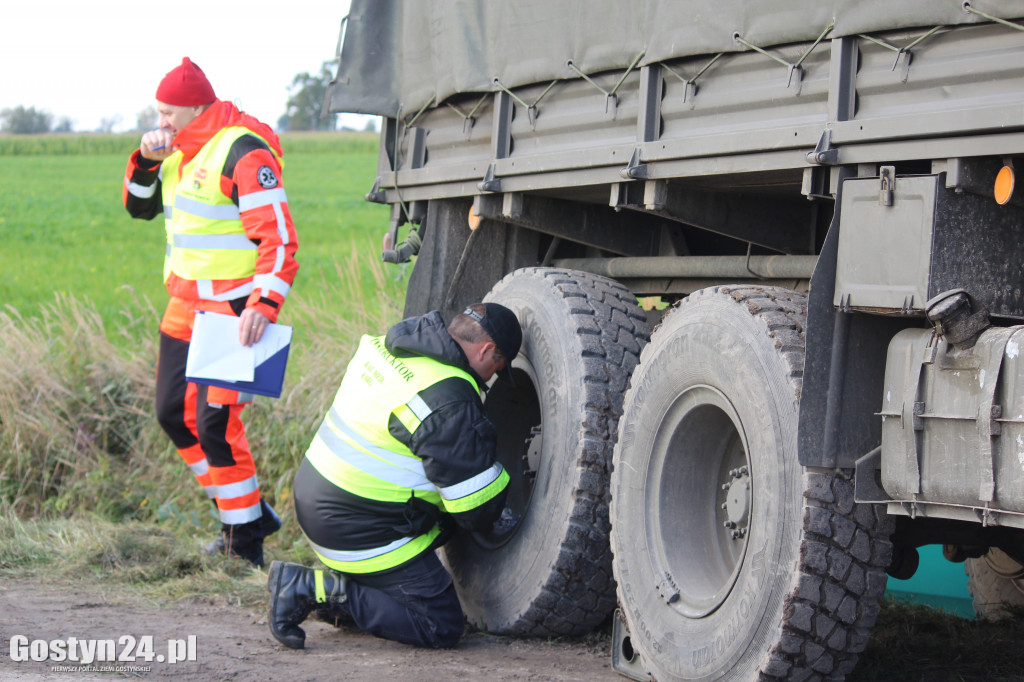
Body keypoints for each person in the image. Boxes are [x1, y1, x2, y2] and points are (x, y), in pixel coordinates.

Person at [122, 57, 299, 567]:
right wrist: (145, 160)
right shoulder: (175, 148)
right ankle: (247, 512)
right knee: (172, 414)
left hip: (234, 308)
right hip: (185, 302)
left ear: (196, 107)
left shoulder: (243, 151)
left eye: (169, 113)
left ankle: (243, 543)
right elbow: (138, 207)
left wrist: (265, 304)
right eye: (157, 112)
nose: (161, 123)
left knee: (217, 426)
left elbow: (281, 240)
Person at [267, 302, 522, 649]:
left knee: (444, 513)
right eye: (497, 366)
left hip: (318, 497)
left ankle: (358, 589)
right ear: (487, 350)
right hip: (354, 530)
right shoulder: (449, 397)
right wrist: (502, 483)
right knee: (440, 625)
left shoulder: (394, 344)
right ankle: (314, 588)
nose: (491, 377)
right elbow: (474, 509)